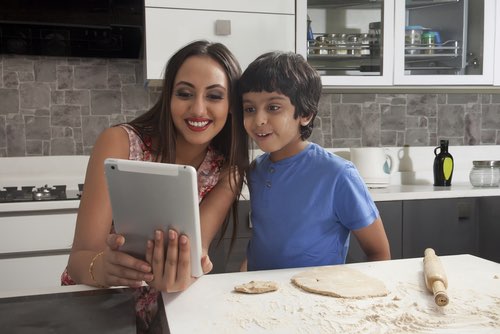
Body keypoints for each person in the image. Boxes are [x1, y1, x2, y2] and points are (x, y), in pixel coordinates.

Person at [61, 40, 248, 332]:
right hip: (95, 309)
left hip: (160, 316)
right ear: (168, 97)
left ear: (232, 105)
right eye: (184, 93)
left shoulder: (227, 173)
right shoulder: (119, 142)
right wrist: (104, 266)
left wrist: (183, 272)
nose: (198, 108)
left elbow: (193, 258)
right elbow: (78, 263)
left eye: (215, 96)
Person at [238, 51, 390, 271]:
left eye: (273, 107)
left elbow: (379, 253)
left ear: (305, 114)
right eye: (249, 109)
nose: (258, 120)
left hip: (316, 300)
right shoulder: (256, 170)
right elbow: (263, 244)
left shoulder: (338, 174)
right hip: (264, 297)